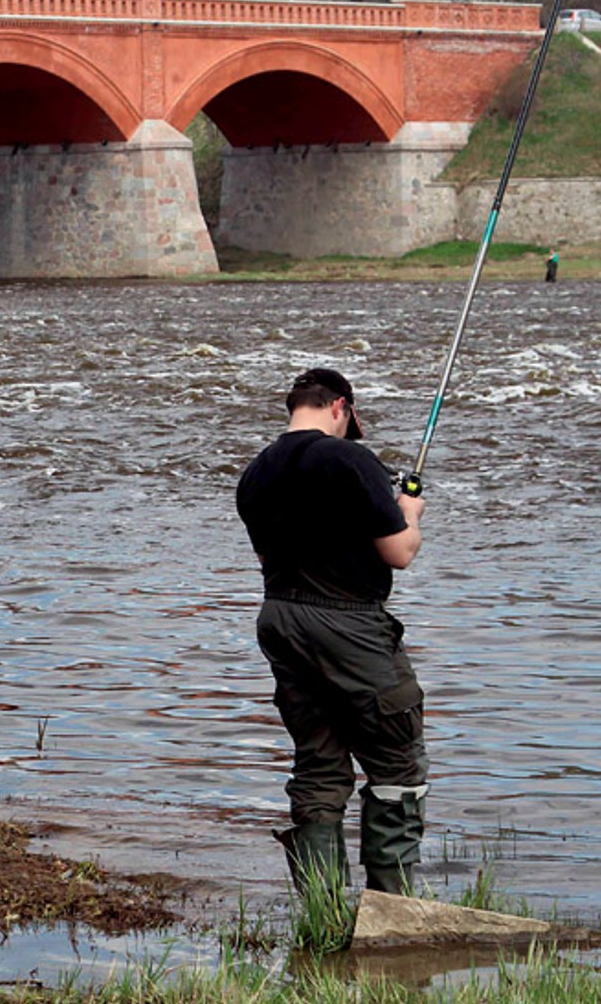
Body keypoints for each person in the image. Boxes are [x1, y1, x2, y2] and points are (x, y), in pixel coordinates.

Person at [236, 368, 428, 895]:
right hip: (348, 622)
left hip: (279, 617)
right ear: (340, 407)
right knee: (396, 760)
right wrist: (408, 512)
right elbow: (400, 553)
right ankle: (392, 905)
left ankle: (322, 909)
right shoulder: (351, 460)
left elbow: (265, 555)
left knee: (319, 762)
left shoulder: (256, 473)